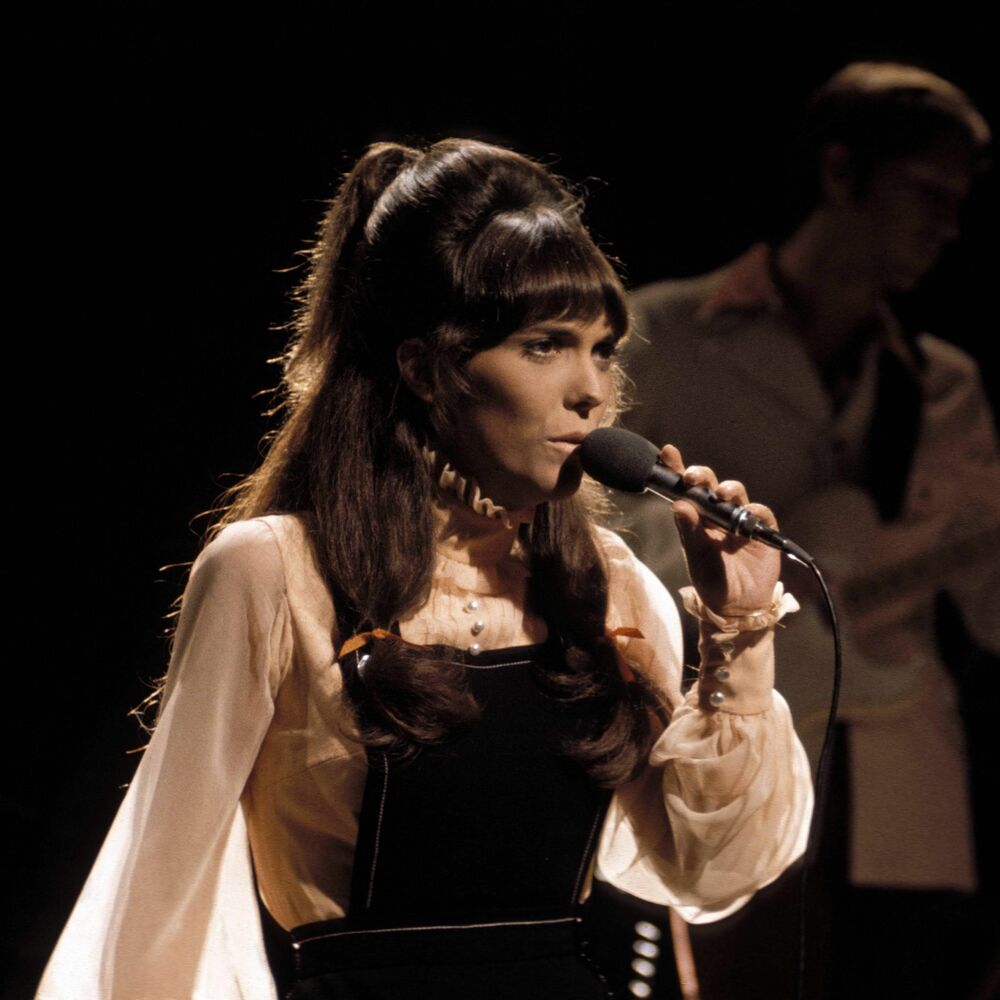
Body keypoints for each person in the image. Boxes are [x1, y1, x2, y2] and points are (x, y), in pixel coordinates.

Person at [37, 139, 811, 1000]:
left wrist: (740, 632)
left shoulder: (609, 585)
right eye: (546, 345)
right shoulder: (275, 573)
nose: (591, 390)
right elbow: (165, 893)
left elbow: (710, 872)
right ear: (426, 367)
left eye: (603, 349)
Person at [622, 64, 999, 998]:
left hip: (901, 763)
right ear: (840, 172)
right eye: (927, 193)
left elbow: (990, 607)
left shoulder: (942, 383)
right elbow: (593, 536)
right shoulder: (663, 331)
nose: (948, 226)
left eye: (959, 203)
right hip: (728, 737)